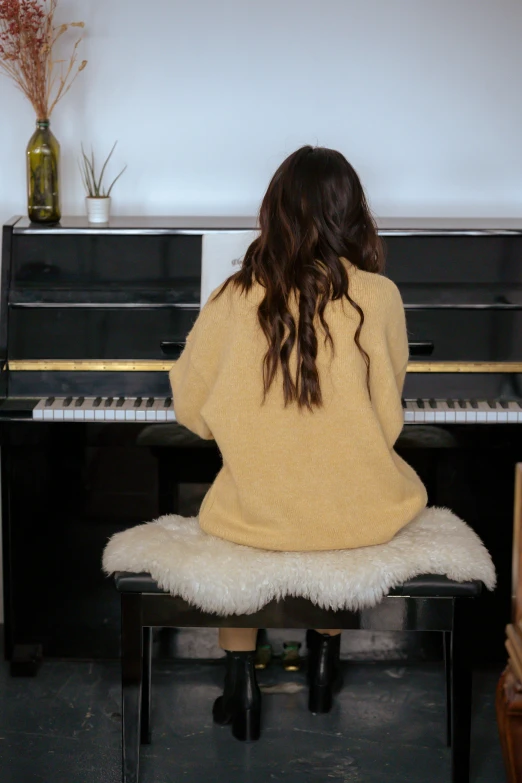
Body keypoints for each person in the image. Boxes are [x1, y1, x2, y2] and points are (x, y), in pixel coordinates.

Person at [169, 145, 427, 742]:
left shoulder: (234, 296)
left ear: (273, 210)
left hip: (254, 516)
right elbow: (389, 422)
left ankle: (240, 681)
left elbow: (190, 409)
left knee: (237, 502)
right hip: (359, 517)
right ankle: (321, 665)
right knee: (341, 500)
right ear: (352, 214)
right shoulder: (380, 296)